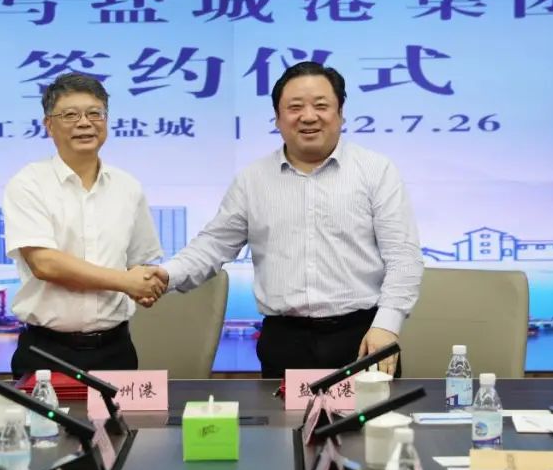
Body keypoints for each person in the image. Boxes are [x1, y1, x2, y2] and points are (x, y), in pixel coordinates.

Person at [150, 62, 423, 378]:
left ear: (341, 113)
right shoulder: (253, 180)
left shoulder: (376, 171)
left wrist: (387, 325)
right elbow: (213, 246)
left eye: (321, 105)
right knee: (282, 413)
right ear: (278, 118)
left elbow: (404, 258)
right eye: (295, 107)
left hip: (363, 337)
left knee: (373, 414)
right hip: (284, 341)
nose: (308, 116)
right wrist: (164, 276)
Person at [3, 73, 166, 376]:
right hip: (46, 352)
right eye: (70, 115)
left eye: (95, 113)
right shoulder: (28, 184)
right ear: (48, 125)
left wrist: (144, 285)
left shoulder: (128, 187)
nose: (84, 123)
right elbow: (45, 264)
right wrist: (126, 282)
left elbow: (139, 262)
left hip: (116, 350)